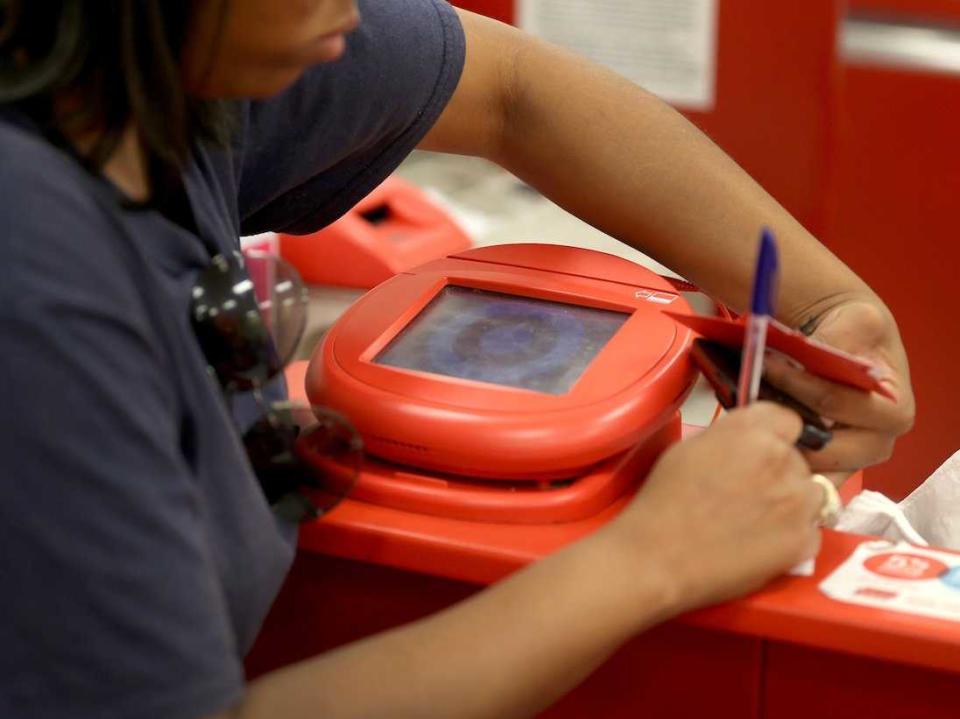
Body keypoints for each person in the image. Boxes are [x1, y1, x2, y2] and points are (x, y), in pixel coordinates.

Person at [0, 2, 914, 718]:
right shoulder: (30, 257)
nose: (359, 8)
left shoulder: (165, 74)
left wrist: (824, 303)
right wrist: (655, 557)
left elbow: (513, 89)